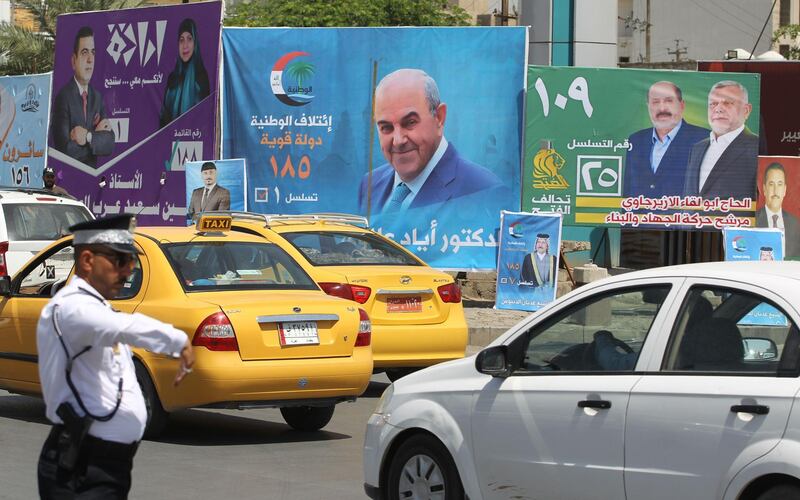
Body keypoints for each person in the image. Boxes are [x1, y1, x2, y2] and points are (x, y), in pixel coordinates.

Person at [36, 214, 194, 498]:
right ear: (87, 261)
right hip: (82, 465)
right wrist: (177, 340)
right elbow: (121, 327)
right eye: (120, 261)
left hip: (107, 463)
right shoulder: (71, 308)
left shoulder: (97, 306)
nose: (128, 271)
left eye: (132, 262)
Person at [357, 68, 506, 214]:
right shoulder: (370, 185)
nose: (398, 140)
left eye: (410, 122)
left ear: (439, 118)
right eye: (386, 127)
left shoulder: (483, 191)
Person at [623, 81, 709, 198]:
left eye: (669, 101)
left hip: (681, 216)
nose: (662, 108)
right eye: (655, 102)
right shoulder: (636, 140)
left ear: (682, 105)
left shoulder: (704, 139)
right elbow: (628, 192)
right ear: (648, 106)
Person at [51, 26, 115, 168]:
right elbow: (65, 151)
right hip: (69, 178)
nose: (90, 60)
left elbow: (109, 143)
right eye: (85, 52)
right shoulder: (63, 98)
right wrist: (95, 142)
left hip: (92, 179)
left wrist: (87, 136)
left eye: (93, 52)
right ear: (74, 61)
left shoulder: (97, 98)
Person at [684, 80, 758, 201]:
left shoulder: (755, 147)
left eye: (728, 103)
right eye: (713, 104)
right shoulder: (697, 148)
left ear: (746, 110)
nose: (718, 109)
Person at [159, 18, 210, 128]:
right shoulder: (173, 78)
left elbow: (204, 118)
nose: (185, 45)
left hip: (193, 140)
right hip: (170, 140)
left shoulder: (201, 78)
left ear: (195, 43)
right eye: (181, 40)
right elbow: (164, 119)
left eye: (189, 39)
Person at [755, 162, 800, 258]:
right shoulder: (753, 220)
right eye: (771, 184)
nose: (775, 191)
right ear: (764, 189)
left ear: (784, 190)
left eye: (779, 184)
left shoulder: (795, 224)